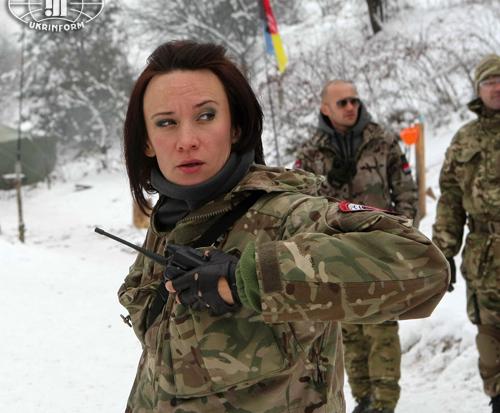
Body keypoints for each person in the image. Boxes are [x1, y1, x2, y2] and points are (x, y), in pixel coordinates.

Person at [118, 40, 449, 413]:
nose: (187, 141)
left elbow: (422, 265)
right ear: (147, 142)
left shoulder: (283, 216)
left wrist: (247, 278)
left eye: (206, 116)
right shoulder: (169, 222)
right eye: (166, 122)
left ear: (236, 127)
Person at [295, 80, 418, 413]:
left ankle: (384, 403)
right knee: (348, 329)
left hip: (379, 249)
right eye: (343, 103)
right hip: (335, 254)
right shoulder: (310, 153)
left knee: (382, 326)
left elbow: (406, 190)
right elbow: (299, 205)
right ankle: (363, 397)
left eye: (355, 101)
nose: (351, 107)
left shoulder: (383, 141)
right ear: (325, 109)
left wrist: (401, 235)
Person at [432, 54, 500, 413]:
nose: (496, 87)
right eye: (489, 82)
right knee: (489, 334)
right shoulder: (464, 140)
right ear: (478, 89)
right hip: (484, 256)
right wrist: (443, 252)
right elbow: (451, 201)